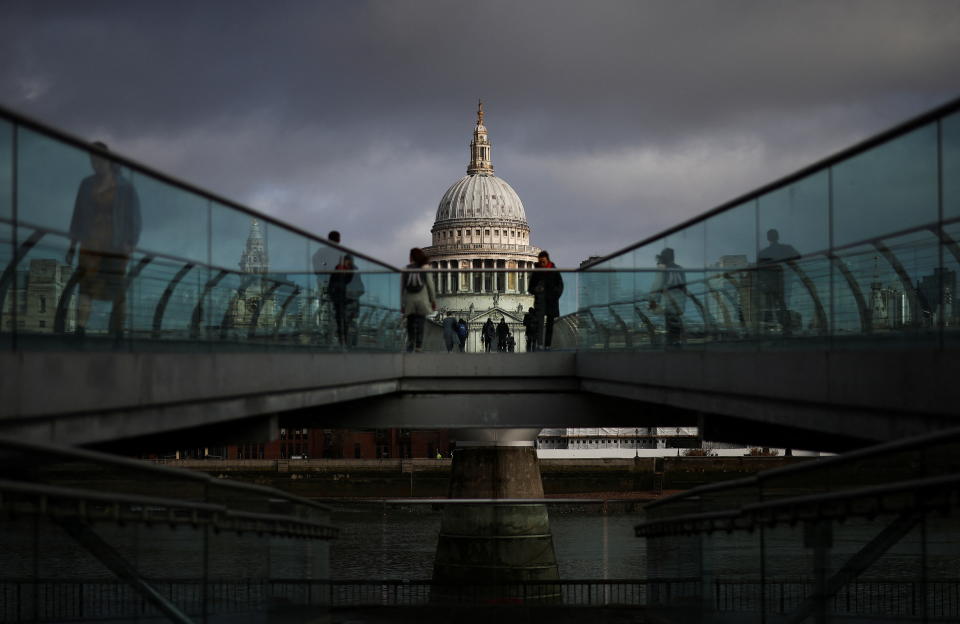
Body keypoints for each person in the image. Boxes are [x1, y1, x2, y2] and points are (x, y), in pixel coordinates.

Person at [66, 141, 141, 337]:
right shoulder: (86, 184)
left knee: (117, 289)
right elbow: (78, 215)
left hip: (115, 247)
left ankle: (118, 333)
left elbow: (135, 218)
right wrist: (72, 246)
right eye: (92, 160)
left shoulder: (125, 187)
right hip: (90, 243)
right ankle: (80, 331)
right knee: (86, 286)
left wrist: (130, 244)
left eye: (98, 159)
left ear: (107, 160)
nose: (95, 163)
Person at [757, 229, 800, 335]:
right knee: (782, 305)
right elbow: (798, 257)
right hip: (783, 282)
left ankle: (769, 330)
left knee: (770, 308)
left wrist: (763, 283)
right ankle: (785, 328)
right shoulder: (786, 249)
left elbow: (759, 271)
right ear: (778, 236)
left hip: (769, 286)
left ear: (768, 238)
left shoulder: (763, 253)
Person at [648, 247, 686, 347]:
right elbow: (684, 287)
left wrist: (652, 299)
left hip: (668, 301)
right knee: (675, 324)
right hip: (679, 301)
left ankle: (672, 345)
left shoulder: (663, 268)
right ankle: (677, 342)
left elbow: (658, 284)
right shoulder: (680, 268)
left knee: (669, 323)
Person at [401, 247, 435, 352]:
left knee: (410, 323)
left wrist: (401, 303)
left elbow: (402, 287)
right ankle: (419, 346)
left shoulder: (406, 269)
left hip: (410, 300)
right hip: (422, 300)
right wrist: (433, 300)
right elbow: (430, 285)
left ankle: (410, 343)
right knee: (421, 323)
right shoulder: (425, 268)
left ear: (411, 258)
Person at [528, 250, 563, 350]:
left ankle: (547, 345)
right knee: (540, 323)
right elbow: (530, 288)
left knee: (550, 324)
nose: (542, 264)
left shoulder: (553, 270)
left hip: (551, 300)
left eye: (543, 261)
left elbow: (560, 285)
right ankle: (540, 344)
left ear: (547, 260)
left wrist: (556, 295)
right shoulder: (537, 272)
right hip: (541, 301)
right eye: (540, 262)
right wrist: (537, 290)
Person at [312, 230, 343, 343]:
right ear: (338, 240)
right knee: (336, 309)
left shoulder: (322, 251)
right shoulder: (341, 253)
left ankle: (325, 332)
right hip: (336, 284)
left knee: (324, 306)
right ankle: (334, 335)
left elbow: (315, 259)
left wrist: (319, 271)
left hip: (324, 282)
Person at [328, 254, 364, 348]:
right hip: (339, 301)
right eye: (346, 261)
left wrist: (352, 295)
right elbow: (331, 285)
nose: (348, 263)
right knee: (341, 322)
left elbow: (361, 288)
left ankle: (346, 344)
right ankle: (342, 343)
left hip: (350, 301)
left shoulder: (354, 271)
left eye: (349, 261)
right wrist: (333, 296)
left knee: (347, 323)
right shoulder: (337, 270)